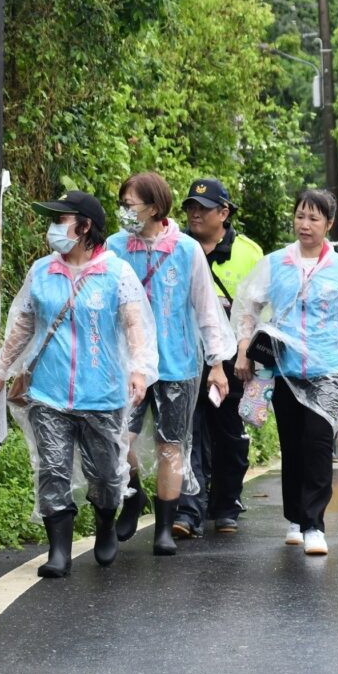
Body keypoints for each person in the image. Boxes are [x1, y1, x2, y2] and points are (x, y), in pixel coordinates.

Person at [0, 191, 157, 578]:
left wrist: (139, 369)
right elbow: (22, 326)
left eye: (60, 220)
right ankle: (58, 551)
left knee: (108, 475)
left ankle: (106, 523)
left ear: (84, 227)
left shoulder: (116, 273)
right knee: (52, 470)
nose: (53, 228)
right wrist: (0, 368)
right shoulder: (42, 271)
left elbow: (135, 325)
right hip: (49, 393)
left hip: (104, 394)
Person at [231, 188, 338, 556]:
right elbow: (248, 307)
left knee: (317, 443)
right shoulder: (275, 263)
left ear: (329, 224)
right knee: (294, 446)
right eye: (300, 215)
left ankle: (315, 524)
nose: (305, 224)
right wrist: (243, 350)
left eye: (314, 218)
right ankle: (295, 518)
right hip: (284, 370)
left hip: (327, 371)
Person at [108, 172, 236, 556]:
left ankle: (165, 525)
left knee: (170, 446)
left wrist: (216, 363)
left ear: (154, 207)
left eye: (130, 205)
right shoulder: (114, 248)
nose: (124, 212)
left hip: (178, 363)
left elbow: (206, 308)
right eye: (123, 204)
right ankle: (132, 494)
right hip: (128, 364)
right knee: (116, 438)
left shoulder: (186, 249)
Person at [174, 178, 264, 537]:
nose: (195, 213)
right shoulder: (176, 246)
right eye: (191, 207)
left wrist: (249, 355)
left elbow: (259, 310)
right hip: (182, 356)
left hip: (232, 359)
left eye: (204, 208)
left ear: (224, 212)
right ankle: (188, 510)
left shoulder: (248, 252)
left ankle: (226, 503)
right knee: (185, 433)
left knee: (228, 434)